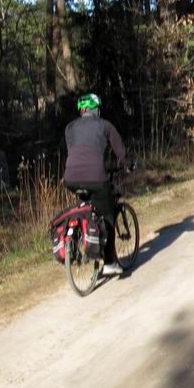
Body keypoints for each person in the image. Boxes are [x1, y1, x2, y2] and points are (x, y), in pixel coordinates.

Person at [63, 93, 127, 276]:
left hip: (71, 179)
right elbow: (120, 151)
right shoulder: (104, 125)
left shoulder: (69, 128)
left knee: (85, 210)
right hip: (96, 178)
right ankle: (109, 263)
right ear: (96, 109)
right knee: (108, 215)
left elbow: (75, 152)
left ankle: (77, 246)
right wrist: (129, 164)